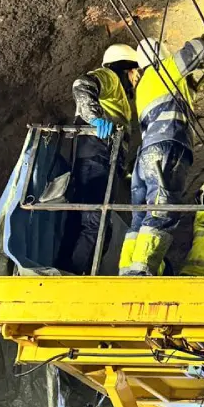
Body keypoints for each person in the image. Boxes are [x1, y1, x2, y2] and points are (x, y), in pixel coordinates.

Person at [119, 34, 204, 276]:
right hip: (168, 146)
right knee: (162, 209)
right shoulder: (164, 69)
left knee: (140, 217)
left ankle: (127, 269)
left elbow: (180, 94)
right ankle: (142, 269)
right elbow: (196, 48)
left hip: (145, 158)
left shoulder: (143, 86)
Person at [57, 43, 144, 274]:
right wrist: (95, 118)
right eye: (135, 72)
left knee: (84, 220)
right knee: (97, 222)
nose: (137, 78)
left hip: (100, 159)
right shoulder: (111, 78)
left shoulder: (120, 97)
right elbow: (82, 84)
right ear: (126, 67)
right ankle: (75, 276)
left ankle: (65, 270)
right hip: (97, 156)